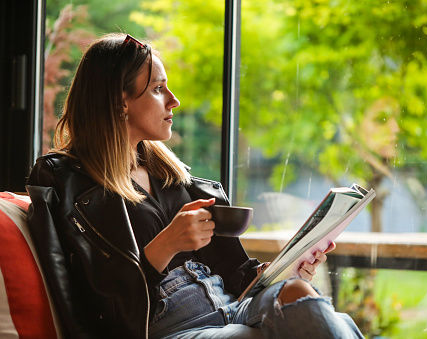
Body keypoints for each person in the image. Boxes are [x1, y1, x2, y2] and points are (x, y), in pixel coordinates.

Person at [26, 33, 364, 339]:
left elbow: (233, 274)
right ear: (120, 101)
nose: (173, 100)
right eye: (158, 89)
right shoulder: (67, 182)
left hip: (229, 306)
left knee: (299, 293)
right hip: (170, 326)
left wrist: (285, 269)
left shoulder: (167, 173)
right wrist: (164, 246)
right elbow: (94, 302)